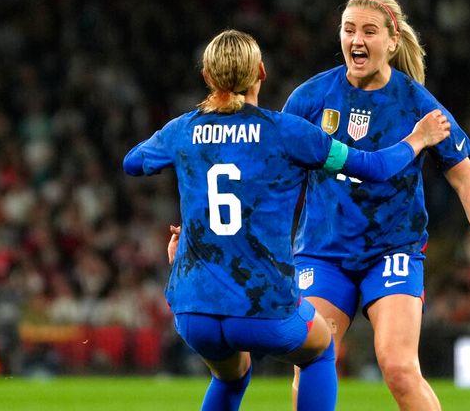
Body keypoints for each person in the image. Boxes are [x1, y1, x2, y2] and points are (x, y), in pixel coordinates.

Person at [125, 29, 450, 411]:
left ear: (208, 78)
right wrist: (418, 138)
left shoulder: (181, 129)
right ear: (260, 72)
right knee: (319, 350)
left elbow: (133, 162)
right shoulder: (287, 133)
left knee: (231, 375)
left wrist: (197, 225)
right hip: (262, 307)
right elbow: (374, 168)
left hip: (193, 309)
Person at [281, 0, 470, 410]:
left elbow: (466, 178)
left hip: (392, 250)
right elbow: (273, 171)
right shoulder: (310, 98)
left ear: (392, 40)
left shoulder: (417, 104)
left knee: (399, 369)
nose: (356, 41)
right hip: (322, 252)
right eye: (349, 30)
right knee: (311, 359)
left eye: (369, 31)